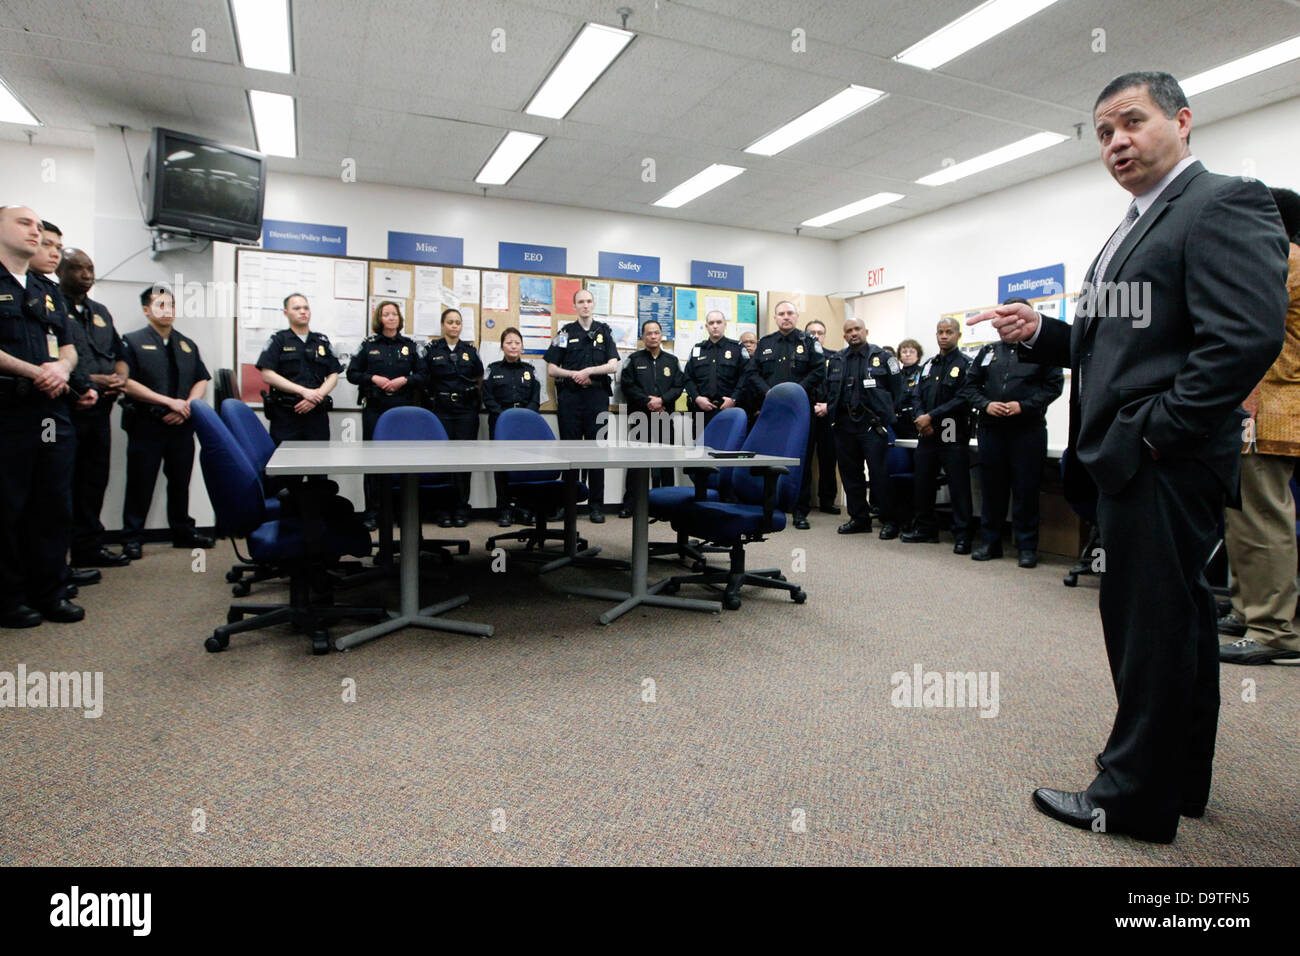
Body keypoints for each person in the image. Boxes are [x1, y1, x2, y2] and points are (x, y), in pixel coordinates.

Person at [970, 71, 1288, 843]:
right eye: (1104, 132)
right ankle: (1177, 784)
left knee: (1148, 629)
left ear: (1181, 121)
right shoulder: (1139, 222)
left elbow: (1244, 339)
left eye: (1132, 123)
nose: (1117, 142)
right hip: (1141, 457)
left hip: (1161, 460)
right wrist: (1042, 333)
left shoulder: (1222, 201)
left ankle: (1131, 799)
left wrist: (1154, 434)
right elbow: (1113, 344)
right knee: (1176, 625)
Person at [1219, 186, 1300, 665]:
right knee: (1243, 513)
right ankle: (1247, 607)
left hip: (1265, 407)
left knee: (1260, 517)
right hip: (1269, 406)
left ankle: (1273, 629)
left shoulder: (1283, 260)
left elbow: (1249, 330)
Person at [0, 205, 88, 627]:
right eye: (24, 224)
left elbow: (68, 348)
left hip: (52, 415)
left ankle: (50, 592)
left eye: (40, 226)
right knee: (8, 506)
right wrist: (37, 371)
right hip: (8, 412)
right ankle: (9, 598)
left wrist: (61, 368)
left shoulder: (46, 289)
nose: (35, 232)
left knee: (53, 503)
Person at [964, 297, 1064, 568]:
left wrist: (1024, 406)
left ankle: (1027, 547)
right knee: (992, 489)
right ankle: (990, 543)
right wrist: (986, 404)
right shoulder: (987, 352)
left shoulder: (1045, 350)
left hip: (1028, 430)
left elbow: (1054, 387)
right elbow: (970, 388)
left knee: (1026, 489)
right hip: (991, 430)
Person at [119, 285, 213, 559]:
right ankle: (132, 538)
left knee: (180, 481)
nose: (167, 310)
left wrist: (186, 406)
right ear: (146, 310)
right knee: (140, 482)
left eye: (171, 305)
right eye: (160, 305)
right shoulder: (131, 341)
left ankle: (182, 531)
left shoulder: (186, 343)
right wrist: (166, 402)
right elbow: (126, 382)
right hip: (146, 424)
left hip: (181, 424)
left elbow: (201, 379)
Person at [58, 248, 132, 569]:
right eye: (77, 269)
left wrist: (120, 378)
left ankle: (88, 548)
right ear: (60, 271)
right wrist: (91, 380)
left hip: (100, 412)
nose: (86, 275)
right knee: (62, 484)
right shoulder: (51, 306)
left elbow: (119, 354)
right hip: (66, 410)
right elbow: (52, 358)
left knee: (93, 481)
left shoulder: (100, 312)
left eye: (89, 268)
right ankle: (57, 560)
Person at [740, 300, 824, 528]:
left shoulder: (809, 342)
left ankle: (799, 511)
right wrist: (770, 393)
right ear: (775, 318)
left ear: (796, 316)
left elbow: (819, 370)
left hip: (801, 411)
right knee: (769, 456)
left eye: (789, 313)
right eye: (781, 314)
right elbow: (752, 372)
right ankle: (768, 503)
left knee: (801, 460)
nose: (785, 317)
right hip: (772, 411)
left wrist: (795, 392)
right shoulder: (766, 343)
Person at [820, 317, 902, 539]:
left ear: (866, 331)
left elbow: (898, 392)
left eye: (857, 329)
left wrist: (885, 416)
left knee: (879, 474)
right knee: (850, 474)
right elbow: (829, 391)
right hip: (844, 424)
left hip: (871, 425)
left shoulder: (884, 358)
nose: (853, 333)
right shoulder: (836, 360)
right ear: (844, 335)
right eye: (849, 330)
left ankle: (889, 520)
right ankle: (859, 518)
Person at [346, 300, 424, 528]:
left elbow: (424, 375)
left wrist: (404, 380)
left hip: (403, 410)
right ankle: (373, 511)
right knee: (373, 461)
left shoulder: (410, 346)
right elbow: (352, 373)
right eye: (386, 314)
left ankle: (402, 510)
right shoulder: (368, 345)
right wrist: (373, 378)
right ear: (379, 319)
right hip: (375, 408)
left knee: (403, 462)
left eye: (394, 314)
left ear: (400, 319)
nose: (391, 318)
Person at [545, 289, 619, 523]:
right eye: (581, 302)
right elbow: (552, 369)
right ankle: (568, 505)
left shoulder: (604, 332)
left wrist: (589, 371)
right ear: (574, 305)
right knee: (570, 453)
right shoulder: (565, 332)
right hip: (571, 399)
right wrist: (575, 374)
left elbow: (613, 365)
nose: (585, 305)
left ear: (593, 304)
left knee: (597, 451)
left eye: (588, 301)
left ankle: (596, 505)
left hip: (596, 397)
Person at [900, 318, 973, 553]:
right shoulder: (929, 365)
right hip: (926, 430)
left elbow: (963, 397)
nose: (944, 336)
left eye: (949, 332)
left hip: (951, 427)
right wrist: (922, 417)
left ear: (958, 336)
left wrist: (931, 416)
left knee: (957, 484)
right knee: (923, 482)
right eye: (940, 332)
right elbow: (916, 395)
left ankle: (962, 535)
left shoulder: (965, 364)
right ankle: (925, 529)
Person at [619, 318, 685, 516]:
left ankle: (668, 505)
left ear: (661, 335)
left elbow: (678, 386)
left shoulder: (672, 361)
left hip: (665, 416)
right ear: (642, 337)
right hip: (640, 417)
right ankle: (630, 504)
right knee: (636, 462)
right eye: (649, 333)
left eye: (656, 332)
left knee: (665, 462)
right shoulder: (633, 360)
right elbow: (627, 385)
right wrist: (648, 401)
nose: (653, 336)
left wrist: (662, 401)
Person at [424, 307, 482, 527]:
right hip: (441, 410)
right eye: (450, 322)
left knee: (464, 460)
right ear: (443, 325)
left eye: (458, 322)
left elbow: (478, 376)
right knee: (442, 461)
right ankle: (442, 509)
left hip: (466, 411)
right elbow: (424, 379)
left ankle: (460, 507)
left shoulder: (469, 350)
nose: (454, 326)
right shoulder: (432, 350)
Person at [256, 293, 340, 444]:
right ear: (286, 313)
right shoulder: (278, 340)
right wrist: (303, 391)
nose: (303, 311)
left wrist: (316, 396)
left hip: (316, 414)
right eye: (297, 308)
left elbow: (333, 375)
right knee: (284, 463)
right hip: (287, 414)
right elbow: (267, 374)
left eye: (306, 308)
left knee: (318, 463)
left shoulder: (321, 341)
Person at [482, 327, 539, 527]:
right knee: (502, 468)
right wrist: (505, 416)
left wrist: (524, 417)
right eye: (509, 342)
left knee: (525, 468)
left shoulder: (530, 370)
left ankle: (523, 509)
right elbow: (487, 397)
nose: (513, 346)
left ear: (522, 346)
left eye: (517, 342)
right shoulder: (493, 369)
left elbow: (535, 398)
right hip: (500, 425)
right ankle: (504, 509)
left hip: (525, 426)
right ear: (502, 346)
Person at [799, 319, 841, 518]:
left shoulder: (836, 357)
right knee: (803, 459)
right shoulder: (801, 357)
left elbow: (840, 389)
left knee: (828, 459)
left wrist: (828, 406)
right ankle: (802, 501)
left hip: (828, 413)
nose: (816, 336)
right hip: (806, 411)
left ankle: (827, 501)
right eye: (811, 333)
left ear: (824, 335)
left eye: (820, 332)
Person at [682, 309, 745, 430]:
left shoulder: (736, 348)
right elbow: (687, 378)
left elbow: (745, 377)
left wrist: (734, 399)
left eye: (718, 322)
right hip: (701, 411)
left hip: (729, 409)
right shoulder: (697, 349)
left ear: (725, 324)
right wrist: (697, 398)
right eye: (711, 323)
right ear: (706, 326)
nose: (715, 326)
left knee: (727, 446)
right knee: (701, 446)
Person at [894, 338, 925, 440]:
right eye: (904, 352)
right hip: (897, 422)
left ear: (918, 355)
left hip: (915, 422)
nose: (907, 354)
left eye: (911, 352)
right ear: (899, 355)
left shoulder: (923, 373)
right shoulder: (895, 375)